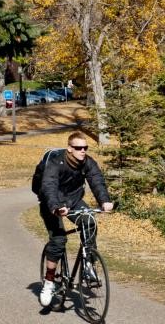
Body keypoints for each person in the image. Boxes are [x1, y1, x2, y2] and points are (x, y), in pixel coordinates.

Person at [38, 131, 113, 306]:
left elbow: (96, 181)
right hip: (52, 204)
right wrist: (56, 207)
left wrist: (105, 201)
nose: (83, 151)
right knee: (58, 240)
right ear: (70, 149)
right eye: (79, 148)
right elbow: (48, 185)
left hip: (73, 201)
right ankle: (49, 283)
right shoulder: (56, 163)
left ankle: (88, 264)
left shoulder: (87, 162)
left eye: (85, 148)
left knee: (89, 222)